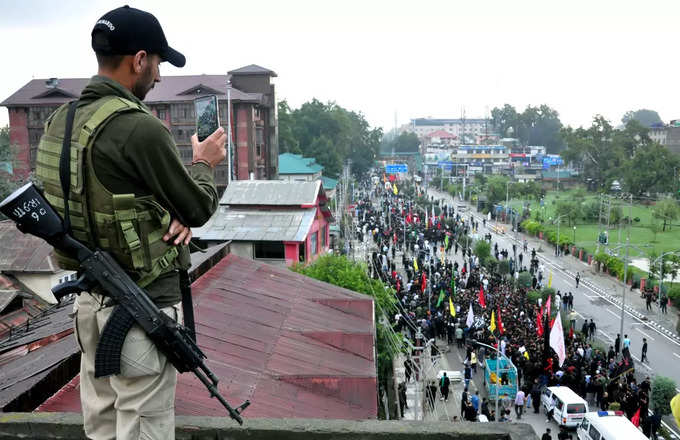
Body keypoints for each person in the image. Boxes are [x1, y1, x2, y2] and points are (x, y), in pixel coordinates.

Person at [35, 6, 226, 440]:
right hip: (141, 308)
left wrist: (167, 211)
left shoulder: (59, 122)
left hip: (89, 305)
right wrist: (203, 164)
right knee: (143, 428)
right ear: (138, 60)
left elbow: (94, 195)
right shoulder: (139, 128)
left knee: (100, 426)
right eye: (156, 63)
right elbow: (197, 207)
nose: (157, 76)